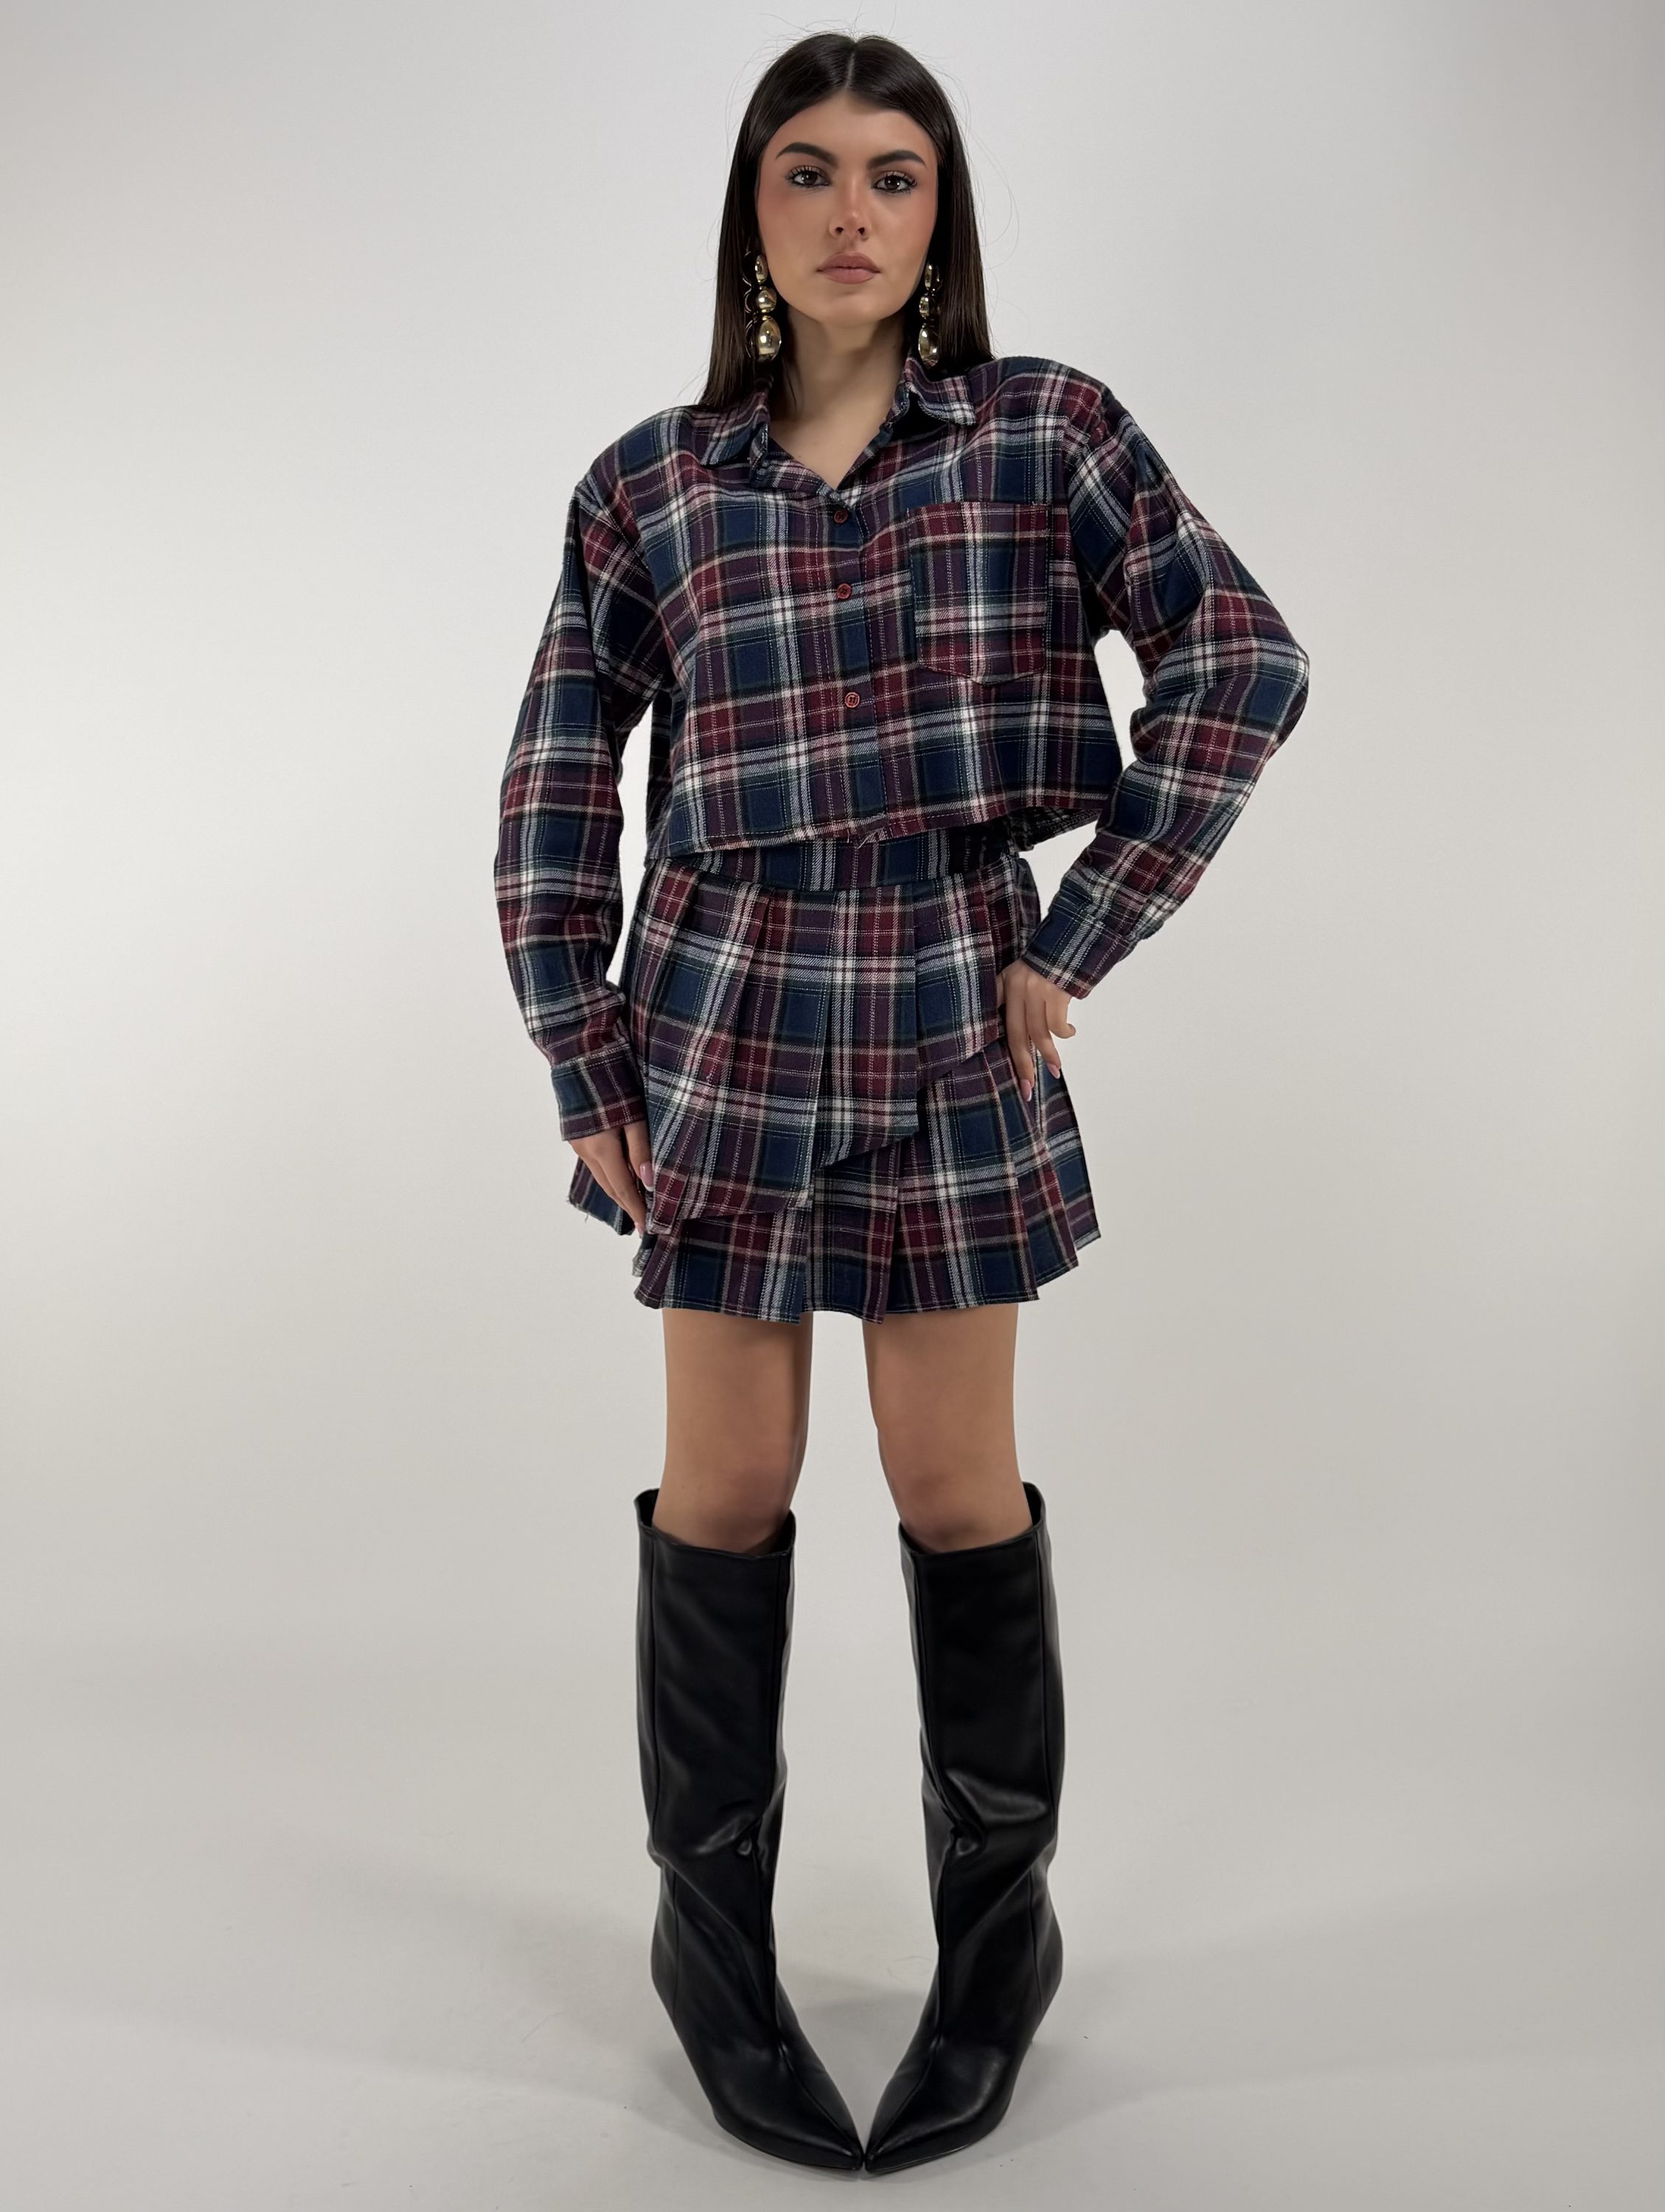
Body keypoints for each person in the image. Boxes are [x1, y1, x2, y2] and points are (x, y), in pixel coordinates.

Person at [494, 30, 1310, 2176]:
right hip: (723, 1027)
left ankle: (995, 1945)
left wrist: (1080, 935)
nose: (850, 213)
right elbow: (558, 776)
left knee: (956, 1489)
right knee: (727, 1489)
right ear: (750, 215)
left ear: (940, 214)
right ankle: (709, 1948)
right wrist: (580, 1049)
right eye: (806, 171)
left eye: (894, 173)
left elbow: (1242, 660)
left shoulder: (1046, 434)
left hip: (957, 1018)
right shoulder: (653, 486)